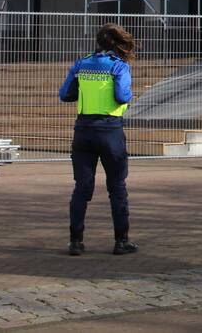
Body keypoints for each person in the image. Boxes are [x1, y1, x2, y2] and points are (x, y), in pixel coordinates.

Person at [59, 23, 137, 256]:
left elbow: (65, 95)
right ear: (117, 42)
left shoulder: (81, 64)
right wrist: (131, 94)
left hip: (83, 130)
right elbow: (122, 96)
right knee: (117, 187)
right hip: (110, 131)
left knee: (82, 187)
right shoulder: (118, 66)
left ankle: (76, 241)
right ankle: (121, 241)